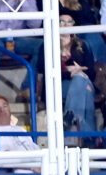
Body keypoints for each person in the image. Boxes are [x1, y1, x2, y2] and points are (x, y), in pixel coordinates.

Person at [38, 14, 97, 146]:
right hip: (57, 86)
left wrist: (79, 73)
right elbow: (43, 69)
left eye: (69, 22)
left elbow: (92, 73)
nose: (66, 25)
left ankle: (70, 117)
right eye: (62, 21)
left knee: (80, 81)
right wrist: (68, 73)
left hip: (82, 83)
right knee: (83, 87)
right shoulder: (47, 45)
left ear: (73, 25)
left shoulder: (83, 45)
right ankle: (89, 139)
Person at [0, 92, 40, 171]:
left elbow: (36, 151)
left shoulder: (20, 130)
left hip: (35, 172)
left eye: (5, 106)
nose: (2, 110)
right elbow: (0, 159)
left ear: (10, 111)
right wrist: (32, 167)